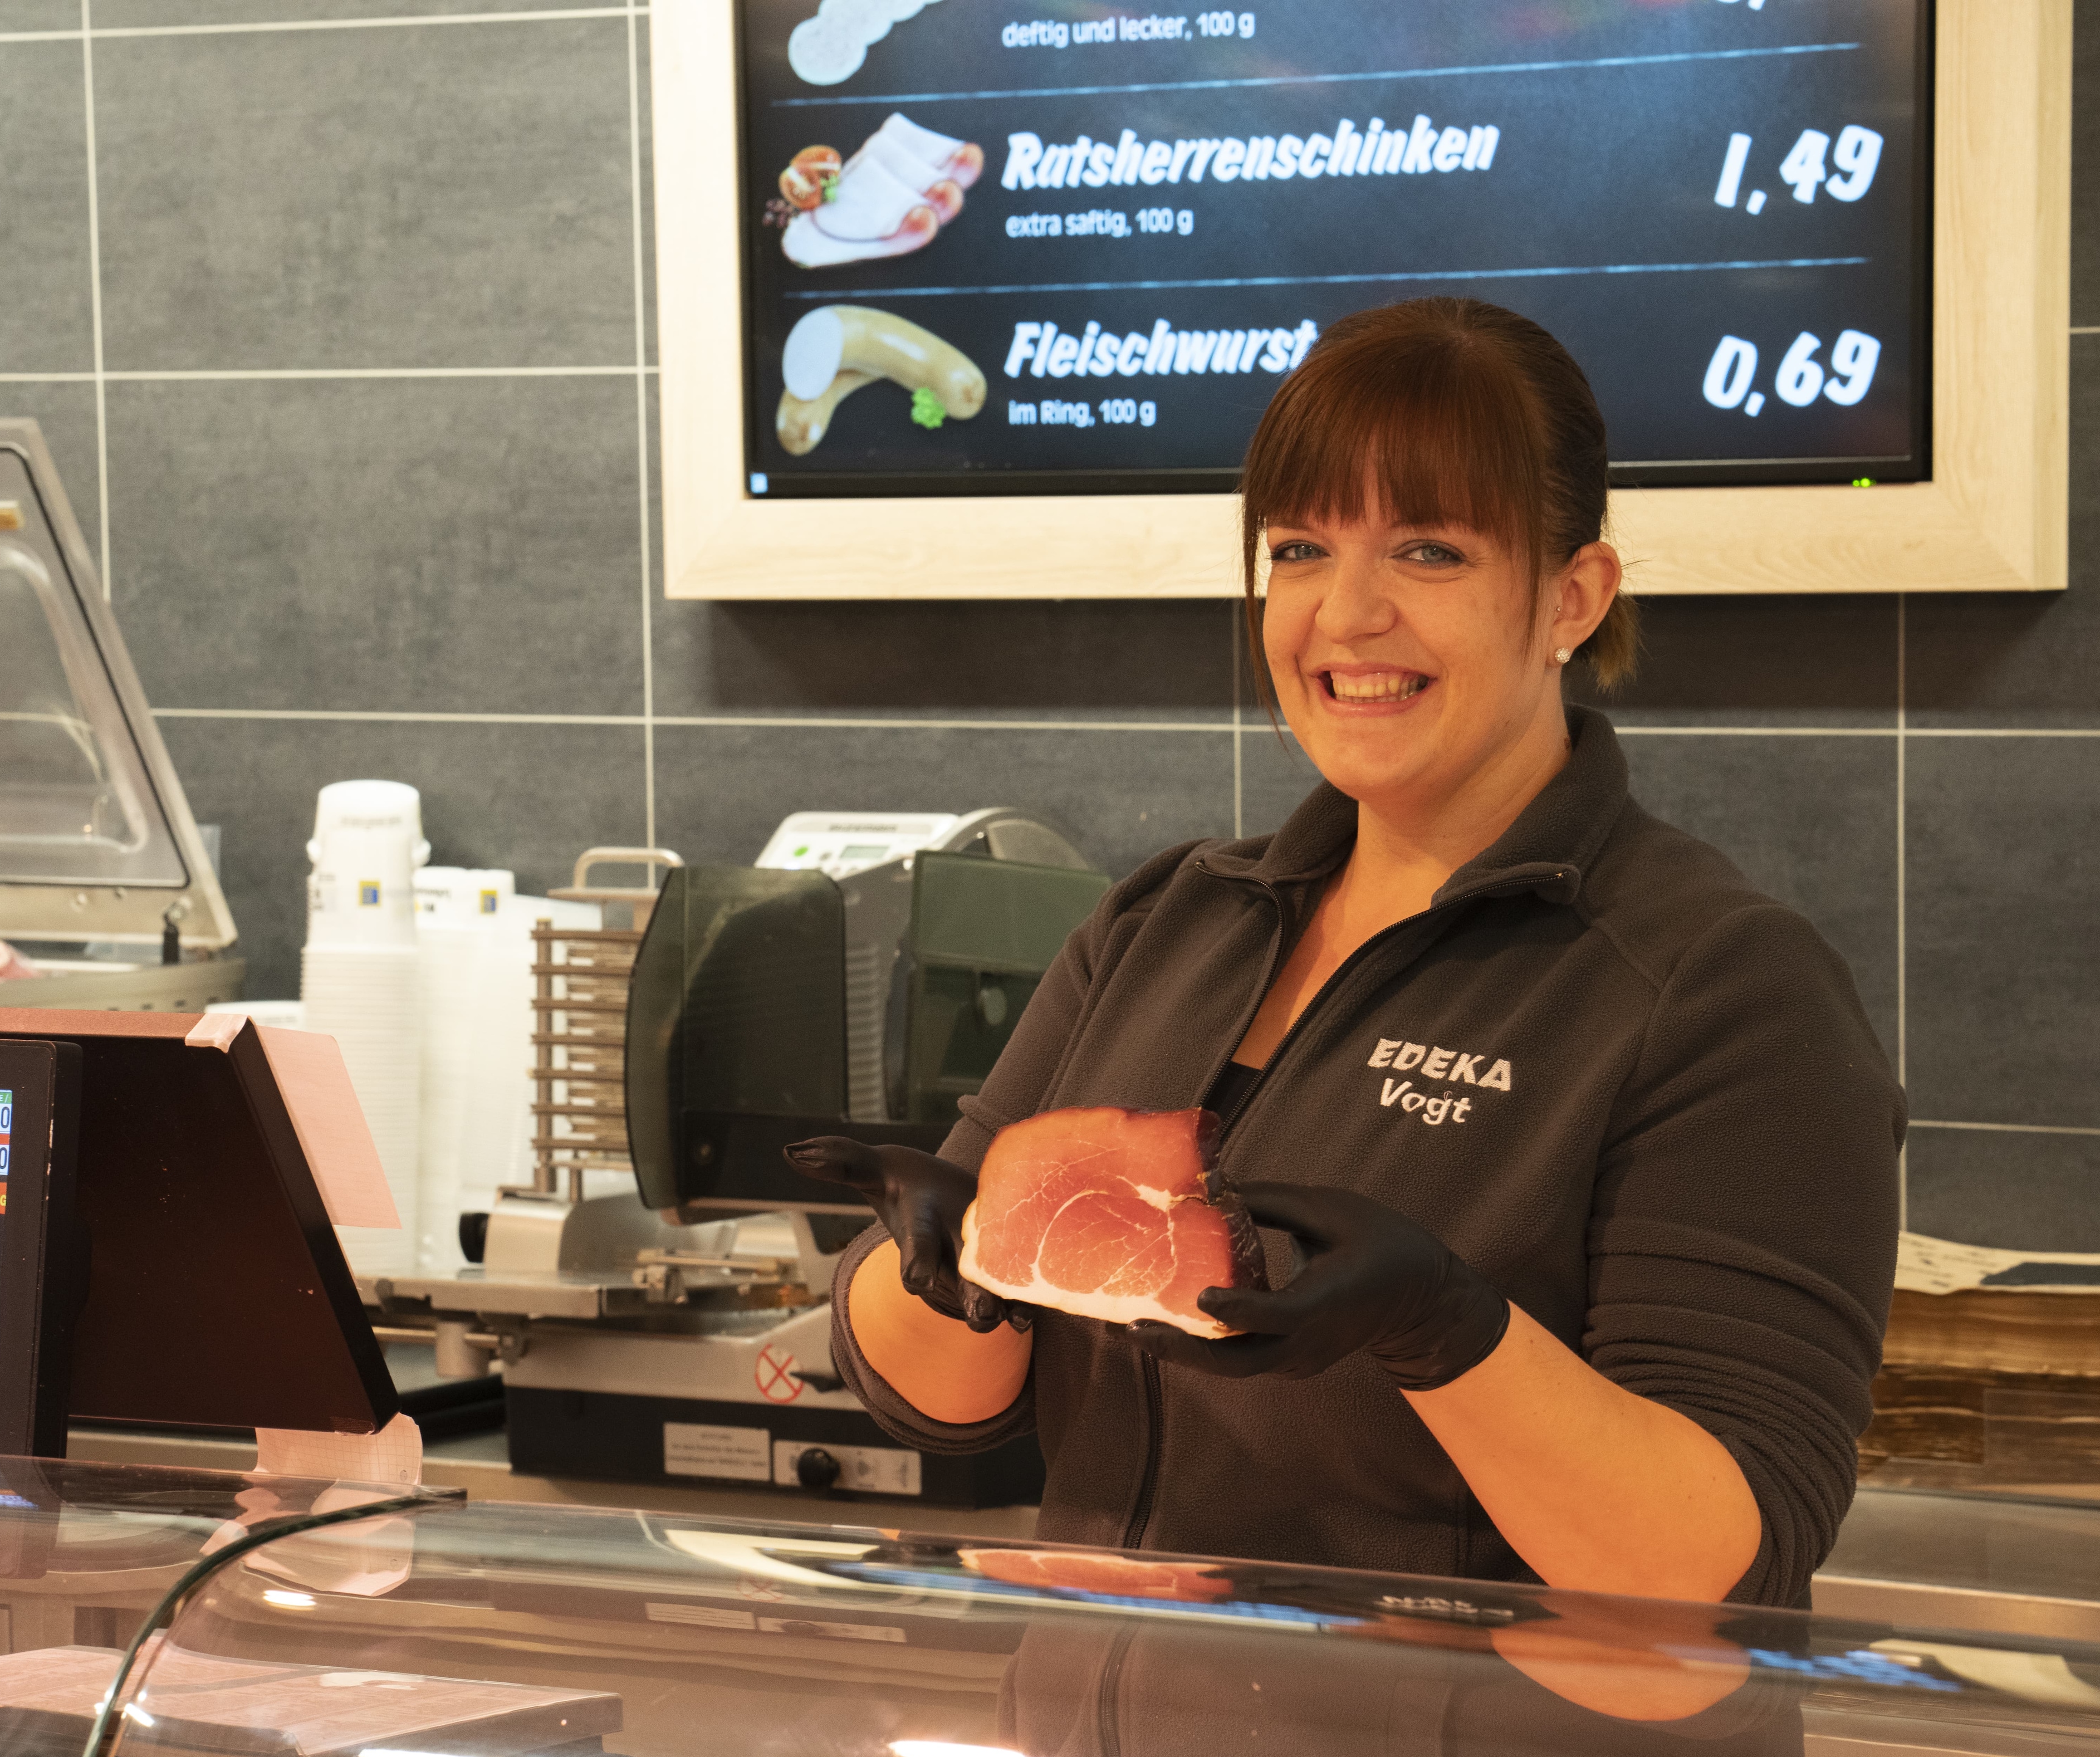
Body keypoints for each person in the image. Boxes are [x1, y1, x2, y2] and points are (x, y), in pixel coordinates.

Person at [795, 295, 1901, 1611]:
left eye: (1428, 551)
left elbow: (1720, 1562)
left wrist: (1450, 1332)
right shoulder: (1165, 925)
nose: (1345, 614)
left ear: (1572, 598)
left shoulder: (1722, 989)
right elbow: (941, 1407)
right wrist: (946, 1271)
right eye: (1302, 547)